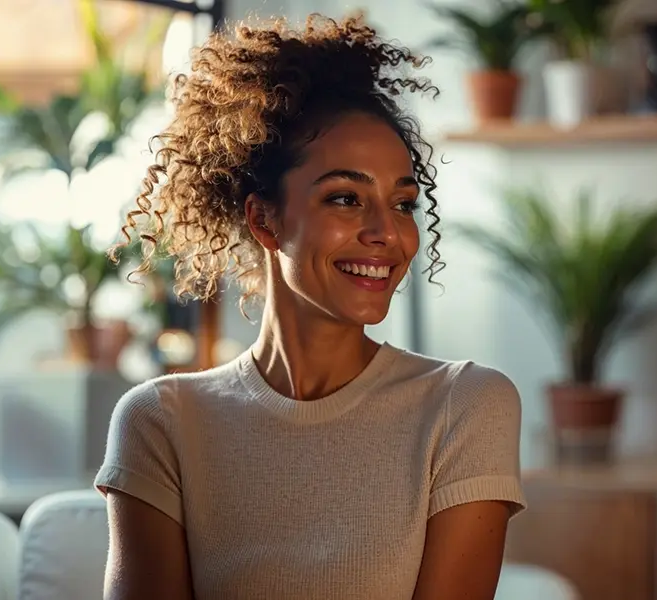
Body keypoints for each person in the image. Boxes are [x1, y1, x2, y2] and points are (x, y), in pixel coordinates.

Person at [94, 14, 526, 600]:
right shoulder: (162, 422)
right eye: (346, 198)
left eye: (402, 203)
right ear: (264, 218)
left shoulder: (465, 406)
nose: (387, 233)